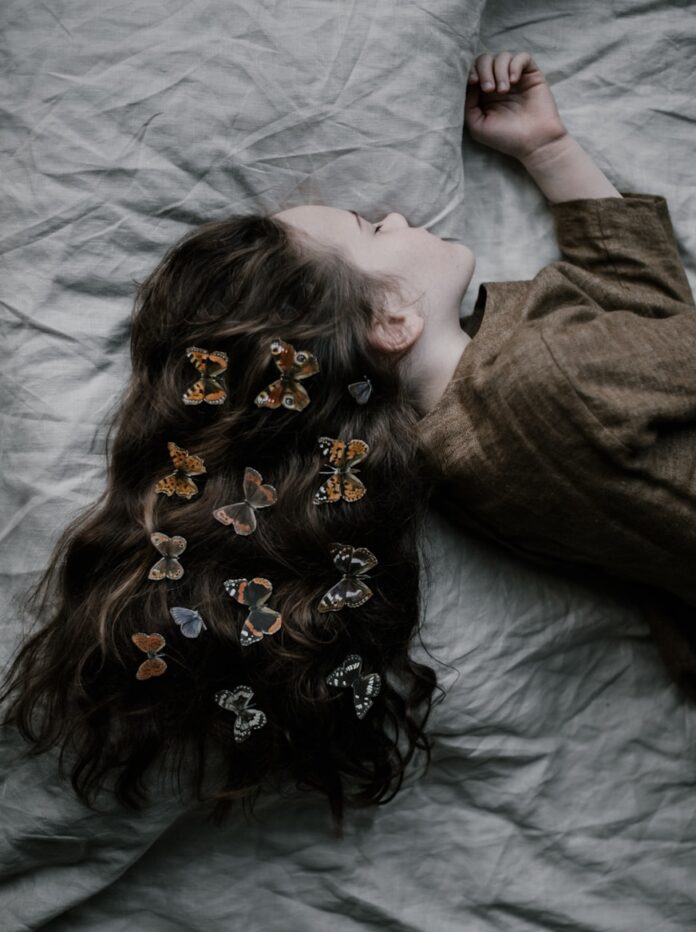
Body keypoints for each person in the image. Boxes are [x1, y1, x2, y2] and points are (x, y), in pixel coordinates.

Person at [1, 52, 694, 840]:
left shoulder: (456, 462)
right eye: (371, 229)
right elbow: (668, 334)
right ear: (392, 322)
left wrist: (548, 150)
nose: (396, 218)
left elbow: (647, 313)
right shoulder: (545, 378)